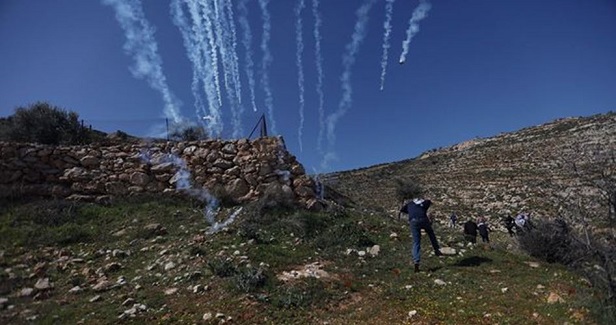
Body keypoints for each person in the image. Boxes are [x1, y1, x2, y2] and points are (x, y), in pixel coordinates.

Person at [399, 198, 442, 273]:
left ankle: (416, 262)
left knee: (416, 242)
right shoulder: (425, 203)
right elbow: (429, 202)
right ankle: (436, 249)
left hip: (413, 221)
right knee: (430, 233)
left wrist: (409, 211)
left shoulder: (410, 204)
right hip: (423, 219)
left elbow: (402, 209)